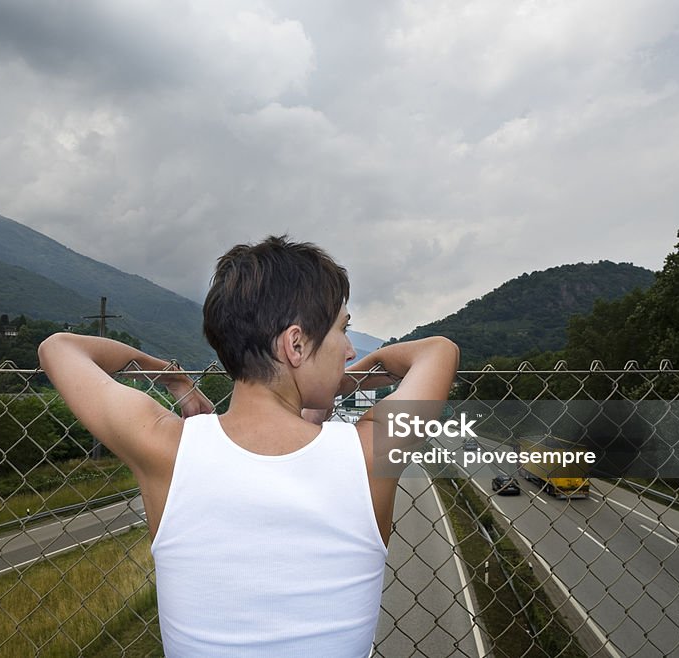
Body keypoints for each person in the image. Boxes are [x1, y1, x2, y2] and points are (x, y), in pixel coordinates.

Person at [38, 235, 459, 657]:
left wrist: (171, 376)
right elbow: (438, 352)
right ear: (296, 344)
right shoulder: (367, 455)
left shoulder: (166, 449)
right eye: (341, 330)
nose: (349, 351)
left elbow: (60, 348)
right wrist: (349, 383)